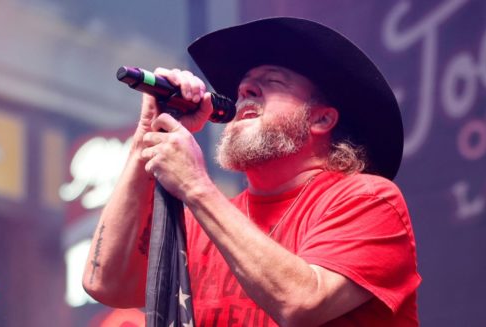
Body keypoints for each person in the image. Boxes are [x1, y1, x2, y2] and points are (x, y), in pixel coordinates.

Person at [83, 17, 421, 326]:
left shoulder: (369, 200)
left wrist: (196, 186)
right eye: (244, 86)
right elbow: (105, 283)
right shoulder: (207, 221)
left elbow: (301, 303)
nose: (245, 91)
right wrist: (146, 134)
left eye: (272, 81)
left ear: (321, 119)